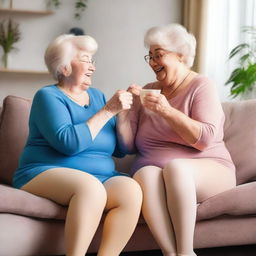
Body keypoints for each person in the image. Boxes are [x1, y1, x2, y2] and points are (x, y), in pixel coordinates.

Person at [12, 34, 142, 256]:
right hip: (44, 171)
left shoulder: (99, 97)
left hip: (99, 175)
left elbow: (120, 151)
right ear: (64, 67)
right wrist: (109, 110)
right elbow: (69, 143)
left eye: (93, 60)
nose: (92, 66)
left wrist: (122, 115)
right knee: (90, 189)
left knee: (130, 190)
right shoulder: (48, 96)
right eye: (85, 59)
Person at [117, 24, 236, 256]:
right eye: (150, 56)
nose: (152, 62)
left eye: (159, 55)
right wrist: (124, 113)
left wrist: (167, 111)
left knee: (176, 168)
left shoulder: (201, 86)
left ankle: (185, 251)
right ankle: (170, 253)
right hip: (159, 174)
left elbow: (204, 139)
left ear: (181, 55)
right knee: (144, 174)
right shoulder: (149, 91)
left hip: (210, 171)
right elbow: (126, 147)